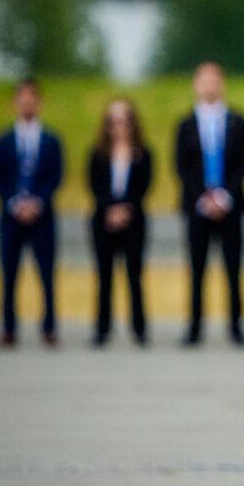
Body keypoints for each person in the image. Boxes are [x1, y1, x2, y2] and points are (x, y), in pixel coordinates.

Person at [174, 61, 244, 346]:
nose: (209, 85)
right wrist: (203, 196)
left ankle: (236, 327)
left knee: (233, 268)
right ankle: (194, 327)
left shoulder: (237, 121)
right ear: (196, 85)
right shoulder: (185, 124)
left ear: (222, 84)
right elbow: (181, 166)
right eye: (203, 80)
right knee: (197, 268)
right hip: (197, 206)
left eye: (213, 80)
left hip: (230, 205)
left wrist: (224, 195)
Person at [0, 77, 63, 348]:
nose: (27, 103)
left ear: (39, 102)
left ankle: (49, 328)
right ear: (15, 103)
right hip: (11, 217)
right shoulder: (4, 140)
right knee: (9, 275)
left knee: (46, 273)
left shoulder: (51, 140)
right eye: (22, 99)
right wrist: (14, 203)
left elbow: (55, 177)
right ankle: (8, 328)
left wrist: (37, 203)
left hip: (42, 218)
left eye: (32, 98)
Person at [88, 98, 152, 347]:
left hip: (134, 219)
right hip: (103, 220)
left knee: (134, 275)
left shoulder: (142, 153)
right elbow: (94, 184)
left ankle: (139, 328)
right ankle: (102, 329)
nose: (119, 126)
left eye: (124, 120)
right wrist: (109, 209)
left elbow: (144, 185)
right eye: (113, 121)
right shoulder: (98, 153)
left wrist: (126, 208)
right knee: (104, 276)